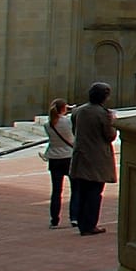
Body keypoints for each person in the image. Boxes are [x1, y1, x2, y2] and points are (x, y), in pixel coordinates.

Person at [68, 82, 117, 237]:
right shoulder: (104, 114)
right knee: (94, 192)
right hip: (97, 157)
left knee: (81, 191)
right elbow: (110, 135)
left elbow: (75, 130)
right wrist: (113, 121)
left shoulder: (78, 111)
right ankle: (90, 225)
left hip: (80, 155)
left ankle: (83, 223)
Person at [43, 98, 76, 229]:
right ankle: (74, 217)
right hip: (68, 156)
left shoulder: (48, 124)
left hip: (54, 158)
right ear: (64, 108)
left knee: (56, 191)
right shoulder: (68, 122)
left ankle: (54, 219)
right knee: (75, 188)